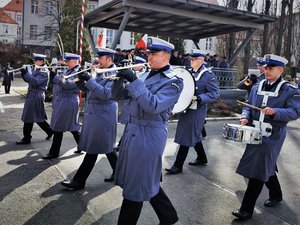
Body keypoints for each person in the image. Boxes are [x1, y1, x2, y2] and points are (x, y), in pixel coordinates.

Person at [112, 37, 183, 225]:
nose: (149, 57)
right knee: (143, 177)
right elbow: (118, 96)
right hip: (133, 131)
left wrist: (134, 80)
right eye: (148, 53)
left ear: (166, 56)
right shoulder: (145, 74)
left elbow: (153, 105)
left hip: (149, 135)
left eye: (154, 54)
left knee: (136, 186)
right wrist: (119, 79)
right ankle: (168, 216)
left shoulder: (174, 82)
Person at [232, 54, 300, 220]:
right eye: (266, 67)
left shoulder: (290, 90)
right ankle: (276, 194)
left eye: (271, 68)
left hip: (273, 134)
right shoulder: (258, 85)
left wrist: (276, 112)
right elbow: (249, 105)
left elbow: (295, 112)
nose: (266, 70)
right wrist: (245, 116)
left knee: (257, 169)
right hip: (255, 132)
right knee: (264, 164)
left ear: (281, 70)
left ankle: (246, 210)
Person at [60, 47, 118, 190]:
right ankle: (119, 173)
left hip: (103, 115)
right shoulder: (101, 71)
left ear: (109, 59)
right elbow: (91, 90)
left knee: (94, 148)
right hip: (96, 114)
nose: (98, 60)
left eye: (101, 58)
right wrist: (80, 82)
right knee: (107, 148)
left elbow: (105, 94)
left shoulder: (114, 74)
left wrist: (89, 80)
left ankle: (79, 181)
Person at [165, 49, 220, 175]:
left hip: (197, 110)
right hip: (186, 108)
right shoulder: (189, 73)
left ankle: (177, 165)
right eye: (191, 59)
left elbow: (215, 93)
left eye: (194, 59)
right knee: (193, 134)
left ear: (201, 60)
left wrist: (201, 98)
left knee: (186, 135)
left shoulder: (208, 75)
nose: (191, 61)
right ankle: (202, 157)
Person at [42, 53, 81, 159]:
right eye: (67, 61)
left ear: (75, 61)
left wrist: (56, 78)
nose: (67, 62)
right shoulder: (69, 70)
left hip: (68, 101)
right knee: (72, 127)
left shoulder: (78, 73)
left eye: (69, 61)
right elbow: (60, 83)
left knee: (59, 127)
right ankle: (83, 145)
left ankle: (54, 152)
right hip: (63, 101)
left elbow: (69, 85)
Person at [16, 53, 53, 145]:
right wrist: (24, 74)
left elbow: (36, 81)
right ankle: (49, 131)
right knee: (37, 117)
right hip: (32, 94)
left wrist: (27, 74)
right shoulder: (37, 69)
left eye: (37, 61)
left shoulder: (44, 71)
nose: (35, 62)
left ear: (41, 61)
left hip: (37, 95)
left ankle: (27, 138)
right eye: (35, 61)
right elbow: (30, 80)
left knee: (30, 117)